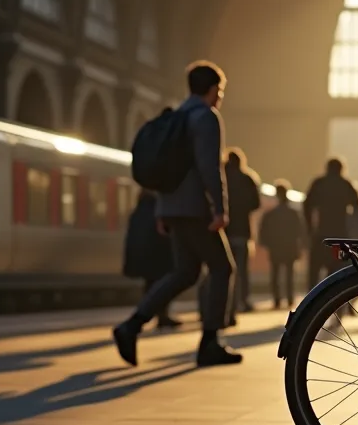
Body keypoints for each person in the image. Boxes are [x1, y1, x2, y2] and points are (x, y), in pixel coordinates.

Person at [113, 60, 240, 367]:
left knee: (185, 272)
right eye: (220, 90)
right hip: (196, 209)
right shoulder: (206, 118)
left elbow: (166, 170)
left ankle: (132, 326)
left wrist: (161, 210)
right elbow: (210, 168)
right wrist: (221, 209)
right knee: (223, 268)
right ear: (212, 90)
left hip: (172, 208)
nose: (220, 97)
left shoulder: (176, 117)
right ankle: (210, 342)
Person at [122, 189, 182, 329]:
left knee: (150, 285)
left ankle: (148, 315)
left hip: (145, 257)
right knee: (163, 284)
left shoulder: (138, 211)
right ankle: (161, 316)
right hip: (159, 255)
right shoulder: (159, 210)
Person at [304, 158, 358, 287]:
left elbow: (307, 206)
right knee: (336, 270)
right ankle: (334, 300)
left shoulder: (319, 183)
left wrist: (310, 228)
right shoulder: (346, 184)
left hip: (321, 234)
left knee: (314, 270)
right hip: (340, 235)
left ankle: (312, 301)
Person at [223, 148, 261, 318]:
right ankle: (242, 302)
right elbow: (256, 204)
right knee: (242, 270)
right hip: (242, 231)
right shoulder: (248, 179)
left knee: (222, 270)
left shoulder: (221, 177)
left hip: (223, 231)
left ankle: (225, 307)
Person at [259, 180, 305, 309]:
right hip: (289, 246)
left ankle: (277, 300)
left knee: (275, 273)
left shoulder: (270, 214)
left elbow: (264, 230)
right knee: (289, 273)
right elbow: (300, 231)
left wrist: (265, 242)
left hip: (276, 246)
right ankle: (290, 298)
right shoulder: (293, 213)